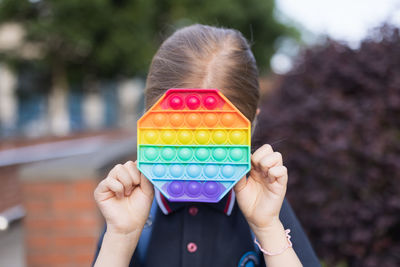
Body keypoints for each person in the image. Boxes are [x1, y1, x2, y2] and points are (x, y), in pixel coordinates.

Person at [92, 24, 320, 267]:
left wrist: (268, 226)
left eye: (216, 140)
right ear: (148, 121)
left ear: (251, 124)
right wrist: (120, 238)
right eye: (177, 138)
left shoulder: (266, 208)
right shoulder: (135, 212)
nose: (195, 159)